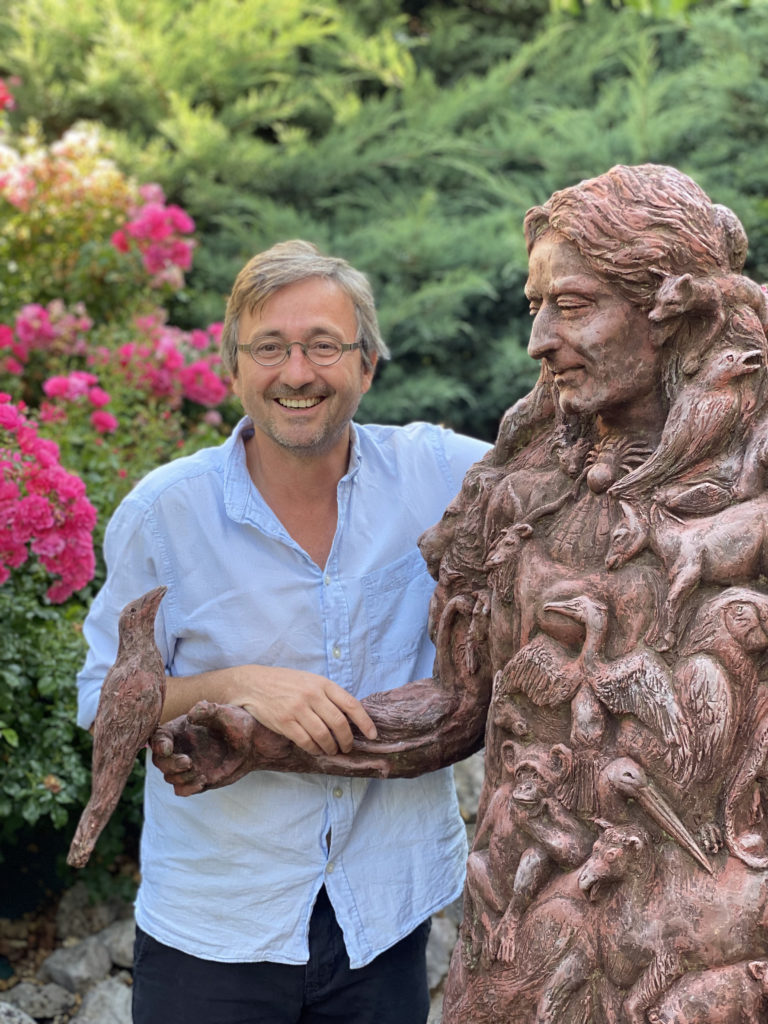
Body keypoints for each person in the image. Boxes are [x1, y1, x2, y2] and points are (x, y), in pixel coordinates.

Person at [151, 166, 768, 1024]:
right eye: (536, 307)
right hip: (524, 937)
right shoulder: (519, 491)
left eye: (574, 305)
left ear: (676, 308)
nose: (540, 341)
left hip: (707, 955)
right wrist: (264, 742)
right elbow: (455, 707)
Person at [75, 239, 490, 1024]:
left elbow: (578, 465)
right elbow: (103, 704)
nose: (296, 372)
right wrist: (237, 686)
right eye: (269, 347)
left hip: (385, 917)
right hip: (217, 928)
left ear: (368, 366)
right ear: (233, 369)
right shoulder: (165, 514)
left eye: (323, 345)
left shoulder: (440, 473)